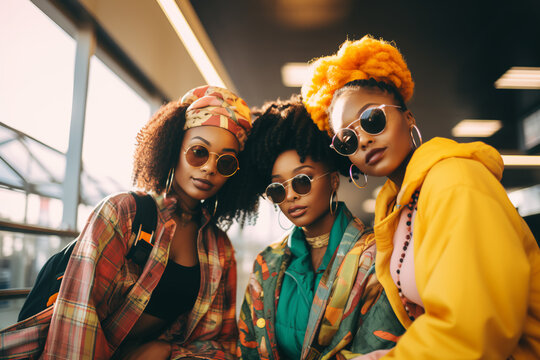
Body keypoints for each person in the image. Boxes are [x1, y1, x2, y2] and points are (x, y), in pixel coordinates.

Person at [301, 35, 540, 359]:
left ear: (407, 117)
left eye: (373, 120)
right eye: (347, 139)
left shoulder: (455, 182)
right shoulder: (401, 205)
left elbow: (473, 332)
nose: (364, 140)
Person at [0, 85, 252, 360]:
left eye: (226, 162)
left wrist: (165, 352)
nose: (209, 167)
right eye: (198, 152)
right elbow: (77, 313)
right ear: (173, 148)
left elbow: (219, 344)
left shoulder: (220, 248)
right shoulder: (122, 213)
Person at [235, 96, 405, 360]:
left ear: (334, 181)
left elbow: (380, 349)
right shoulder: (265, 265)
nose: (290, 195)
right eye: (278, 189)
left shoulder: (376, 258)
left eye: (302, 181)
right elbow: (246, 350)